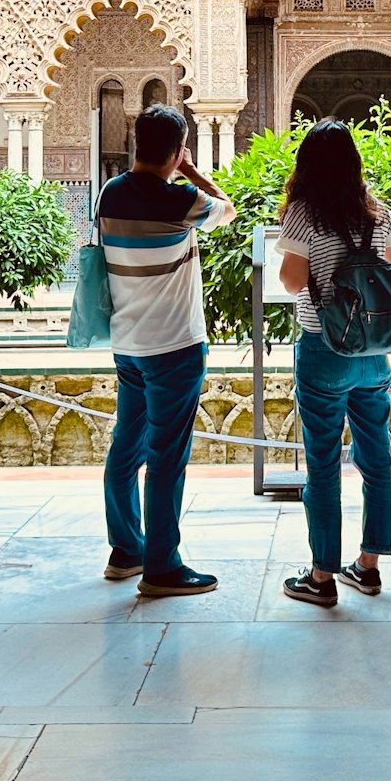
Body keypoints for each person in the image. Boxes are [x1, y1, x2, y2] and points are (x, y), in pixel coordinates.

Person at [98, 104, 236, 596]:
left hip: (128, 344)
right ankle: (161, 566)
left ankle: (125, 550)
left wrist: (176, 168)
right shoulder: (181, 200)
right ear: (176, 151)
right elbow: (229, 209)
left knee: (126, 445)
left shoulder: (109, 194)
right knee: (166, 456)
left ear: (136, 143)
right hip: (175, 345)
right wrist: (193, 170)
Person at [274, 119, 391, 607]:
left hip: (324, 349)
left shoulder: (304, 214)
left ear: (306, 165)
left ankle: (321, 577)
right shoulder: (375, 214)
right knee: (376, 459)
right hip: (373, 353)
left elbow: (292, 282)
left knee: (324, 466)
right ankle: (368, 567)